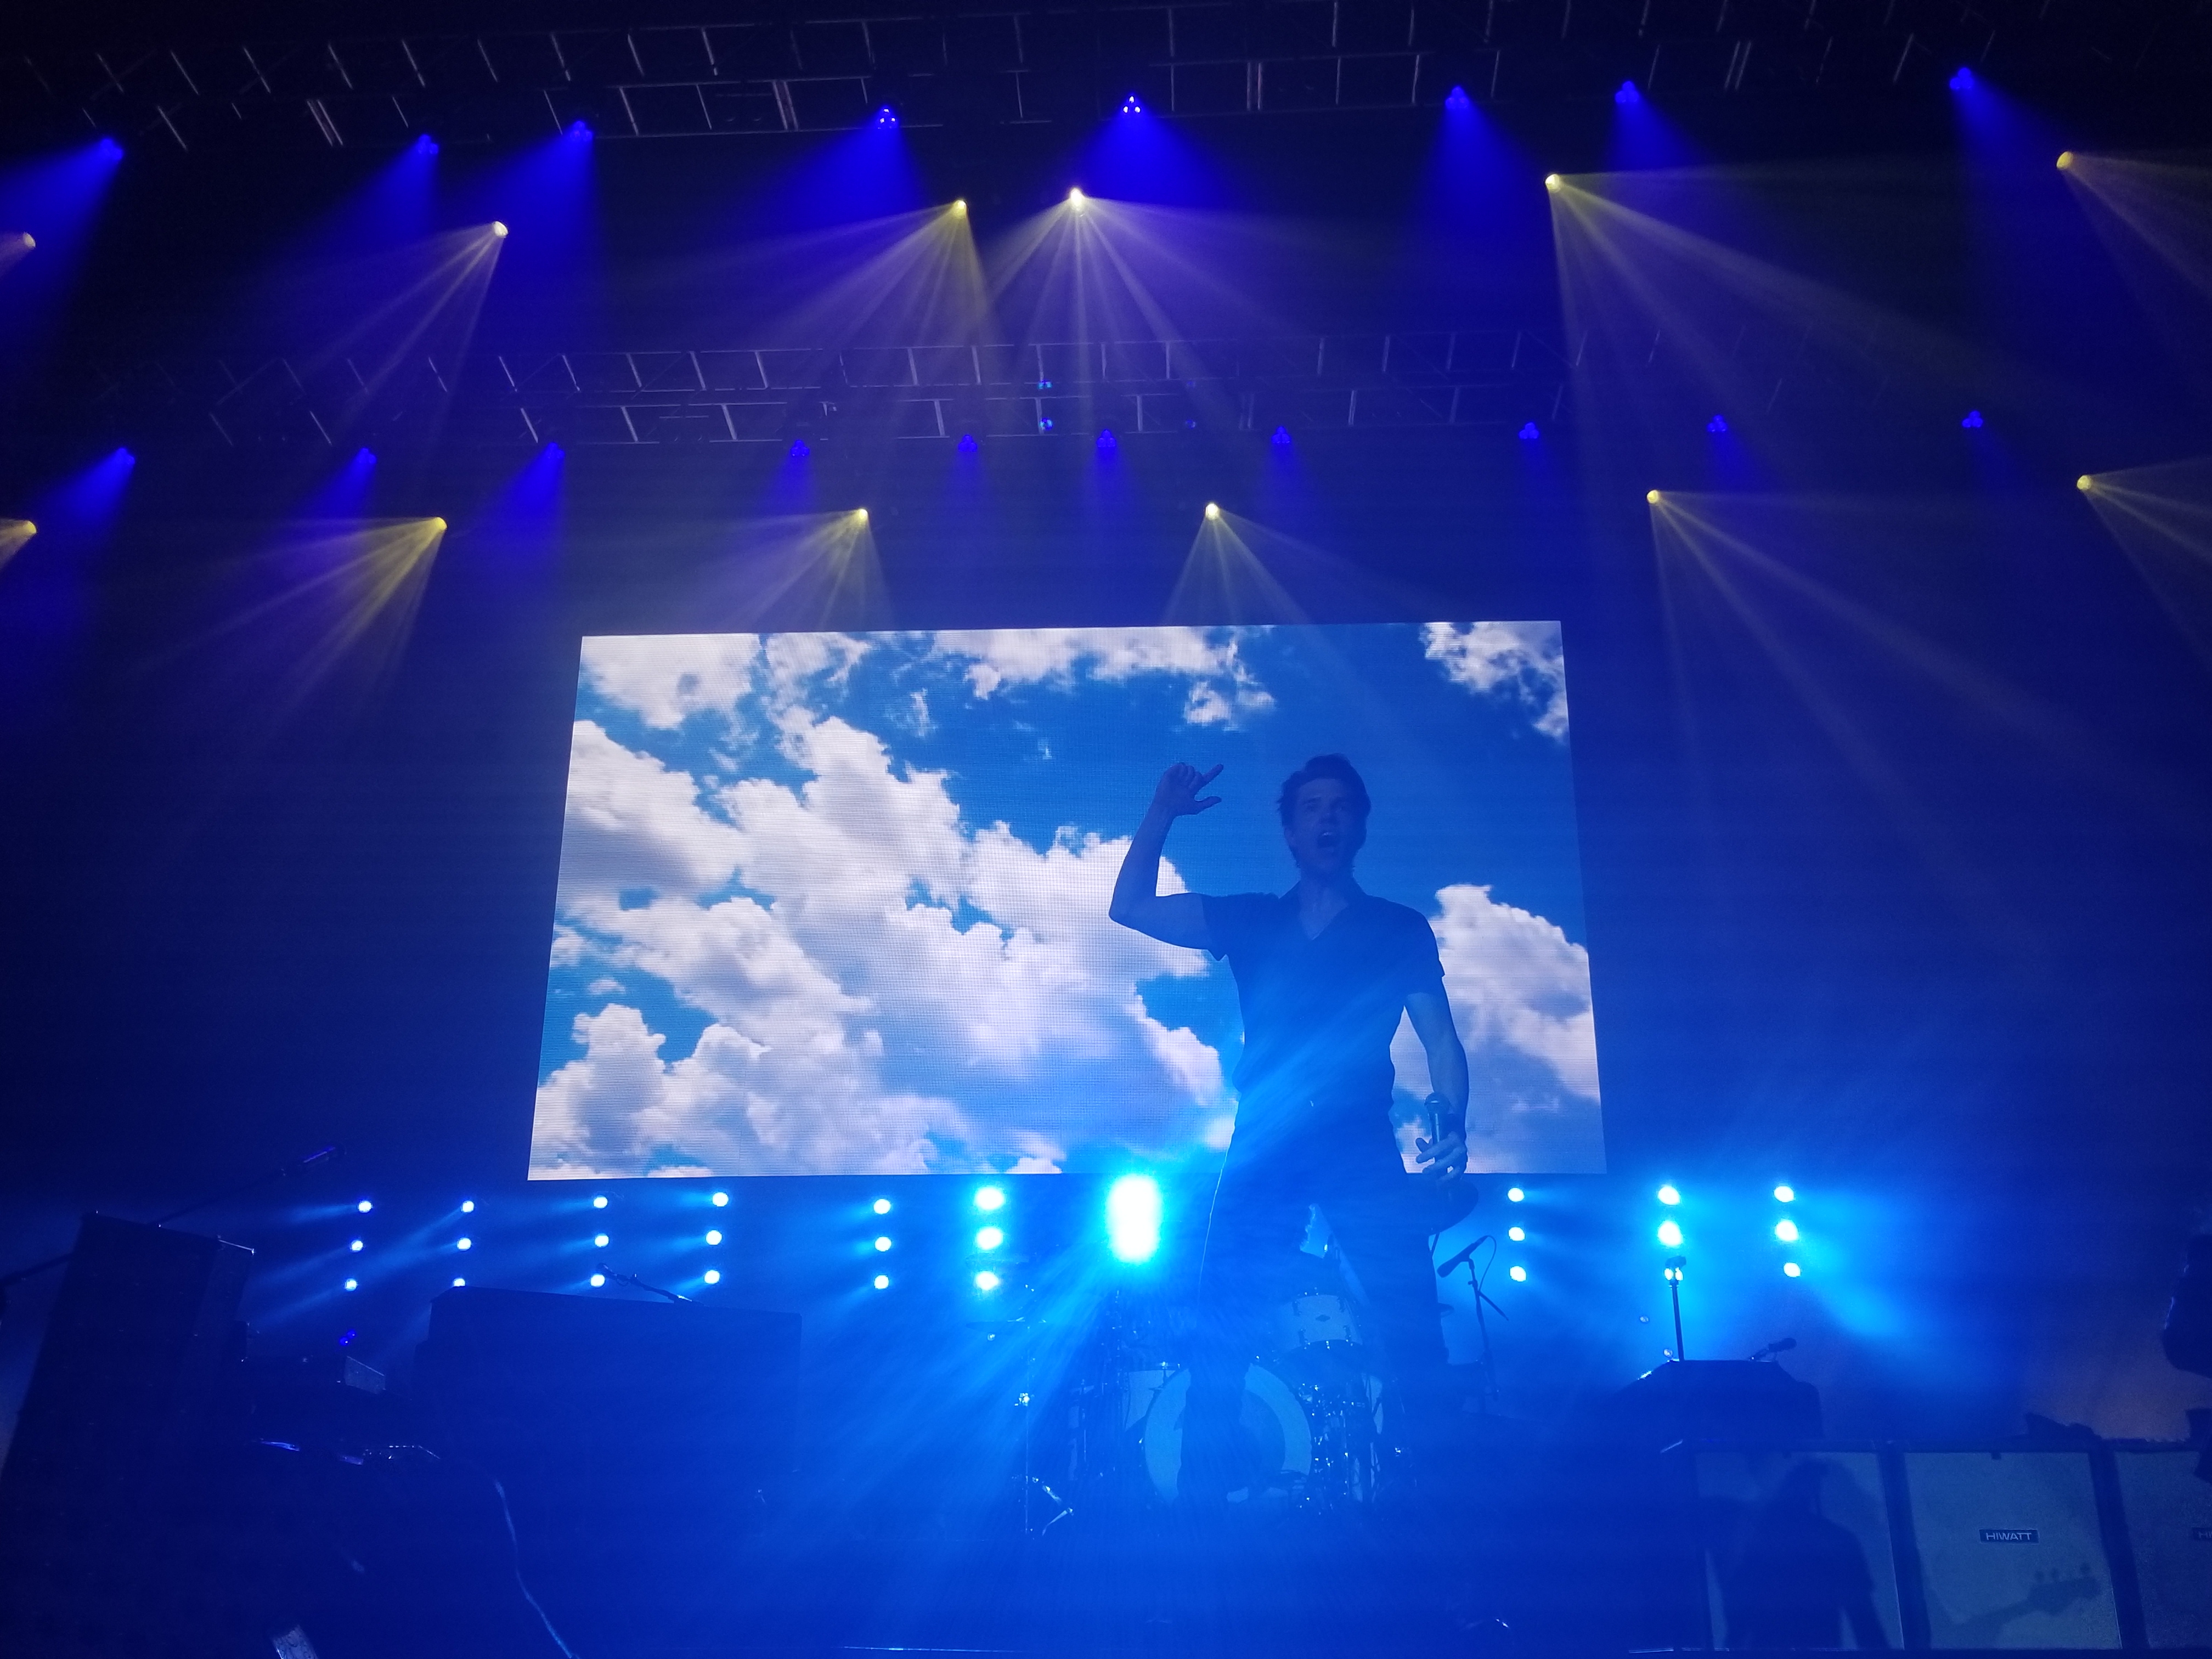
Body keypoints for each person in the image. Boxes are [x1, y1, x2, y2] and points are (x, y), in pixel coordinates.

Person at [1108, 753, 1473, 1508]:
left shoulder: (1397, 927)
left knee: (1413, 1333)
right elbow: (1132, 907)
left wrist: (1451, 1115)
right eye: (1311, 807)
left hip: (1357, 1139)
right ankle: (1203, 1524)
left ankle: (1444, 1527)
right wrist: (1162, 811)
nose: (1327, 817)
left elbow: (1439, 1037)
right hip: (1267, 1137)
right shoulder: (1252, 918)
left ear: (1359, 826)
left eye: (1340, 806)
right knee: (1222, 1334)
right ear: (1290, 833)